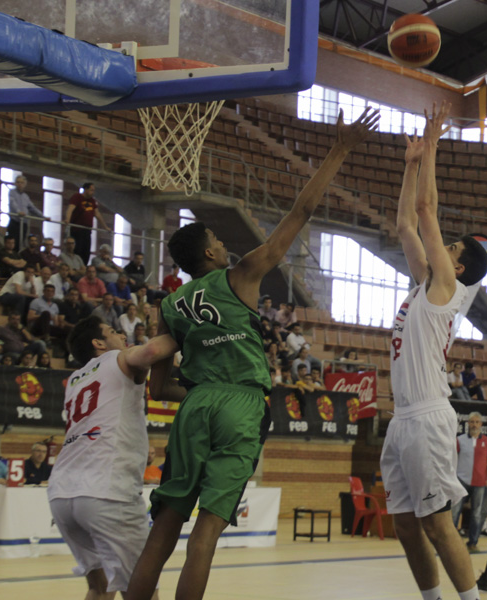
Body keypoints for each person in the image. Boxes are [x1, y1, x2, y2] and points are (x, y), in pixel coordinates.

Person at [125, 107, 379, 600]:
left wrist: (200, 390)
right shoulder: (239, 276)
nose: (223, 243)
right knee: (205, 537)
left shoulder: (170, 305)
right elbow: (300, 214)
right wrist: (340, 150)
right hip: (240, 406)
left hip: (195, 407)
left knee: (163, 531)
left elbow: (157, 388)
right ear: (211, 256)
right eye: (217, 240)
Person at [380, 103, 487, 600]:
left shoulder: (447, 285)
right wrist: (409, 165)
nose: (443, 249)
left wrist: (433, 147)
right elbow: (405, 223)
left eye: (453, 248)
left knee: (437, 524)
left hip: (426, 417)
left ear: (460, 267)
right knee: (406, 524)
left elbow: (426, 212)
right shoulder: (425, 283)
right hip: (402, 418)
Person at [49, 316, 181, 600]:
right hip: (105, 490)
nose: (121, 335)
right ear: (99, 343)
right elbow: (152, 351)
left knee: (99, 589)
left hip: (62, 494)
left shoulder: (74, 379)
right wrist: (186, 331)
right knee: (140, 591)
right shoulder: (115, 358)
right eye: (112, 331)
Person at [453, 412, 487, 552]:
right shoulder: (459, 440)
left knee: (476, 514)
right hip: (461, 481)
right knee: (454, 512)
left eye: (477, 422)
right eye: (472, 422)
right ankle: (450, 543)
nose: (474, 424)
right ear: (468, 424)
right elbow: (452, 459)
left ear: (481, 425)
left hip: (480, 484)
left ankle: (472, 542)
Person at [64, 183, 110, 264]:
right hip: (77, 229)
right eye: (91, 190)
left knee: (86, 251)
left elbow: (97, 214)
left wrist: (105, 226)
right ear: (85, 189)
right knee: (78, 249)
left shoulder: (92, 201)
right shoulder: (77, 197)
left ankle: (84, 267)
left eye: (93, 191)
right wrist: (67, 219)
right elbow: (70, 209)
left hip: (87, 231)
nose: (93, 192)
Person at [6, 175, 44, 249]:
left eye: (21, 182)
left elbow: (32, 208)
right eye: (18, 182)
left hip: (24, 223)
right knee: (12, 242)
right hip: (15, 222)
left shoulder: (26, 196)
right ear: (15, 183)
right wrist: (19, 212)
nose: (19, 184)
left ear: (25, 184)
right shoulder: (12, 192)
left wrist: (43, 216)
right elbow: (13, 203)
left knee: (20, 243)